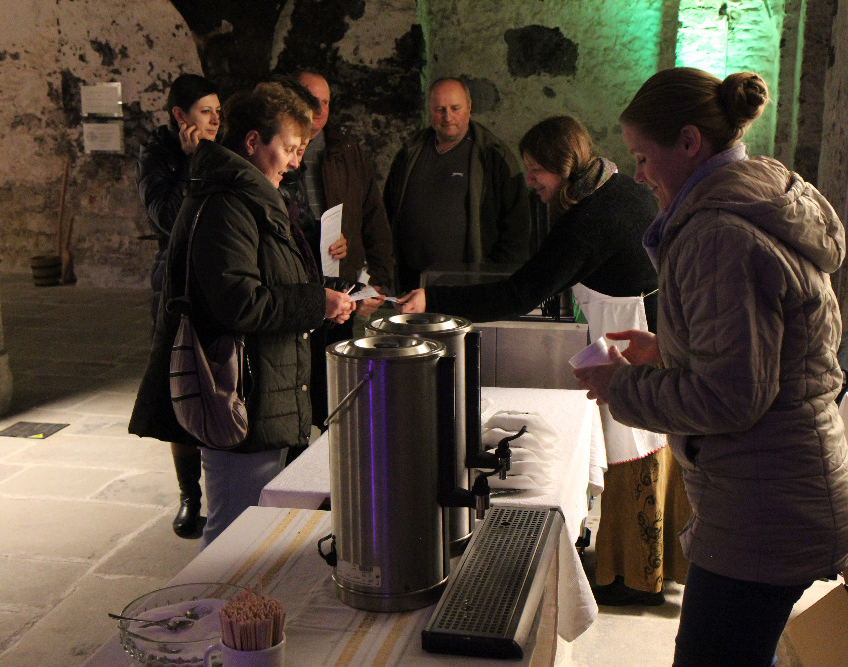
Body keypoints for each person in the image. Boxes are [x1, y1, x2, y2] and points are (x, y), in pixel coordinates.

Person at [575, 68, 848, 666]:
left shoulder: (716, 235)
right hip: (781, 489)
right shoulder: (755, 196)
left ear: (689, 141)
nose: (638, 175)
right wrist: (671, 349)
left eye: (643, 158)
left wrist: (623, 387)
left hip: (766, 509)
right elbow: (767, 353)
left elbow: (730, 397)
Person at [397, 115, 688, 606]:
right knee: (650, 442)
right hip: (648, 324)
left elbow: (520, 292)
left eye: (536, 169)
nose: (530, 180)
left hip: (628, 330)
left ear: (564, 164)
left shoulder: (588, 219)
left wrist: (433, 300)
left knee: (630, 448)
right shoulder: (614, 184)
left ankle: (631, 576)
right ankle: (654, 563)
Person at [129, 82, 355, 548]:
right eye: (288, 149)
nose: (295, 162)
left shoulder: (254, 197)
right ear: (253, 141)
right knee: (232, 536)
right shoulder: (226, 204)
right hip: (238, 395)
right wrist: (317, 303)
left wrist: (328, 296)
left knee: (256, 533)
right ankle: (217, 599)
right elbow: (239, 302)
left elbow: (276, 278)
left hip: (265, 391)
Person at [278, 70, 393, 426]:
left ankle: (330, 437)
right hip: (295, 285)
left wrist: (377, 276)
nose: (319, 110)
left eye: (326, 102)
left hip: (337, 280)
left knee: (333, 379)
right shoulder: (279, 152)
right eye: (311, 101)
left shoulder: (345, 150)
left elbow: (372, 215)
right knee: (298, 379)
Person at [135, 73, 220, 538]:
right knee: (179, 386)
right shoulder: (158, 154)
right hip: (174, 281)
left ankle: (222, 481)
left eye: (218, 112)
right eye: (205, 112)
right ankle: (190, 496)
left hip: (215, 276)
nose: (214, 120)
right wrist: (191, 162)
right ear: (179, 116)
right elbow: (167, 217)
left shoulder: (221, 149)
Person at [383, 77, 532, 292]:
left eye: (455, 108)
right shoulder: (410, 153)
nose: (447, 117)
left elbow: (517, 228)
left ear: (469, 108)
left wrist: (497, 282)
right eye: (439, 109)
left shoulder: (493, 156)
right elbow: (387, 212)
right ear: (430, 110)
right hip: (412, 283)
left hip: (470, 287)